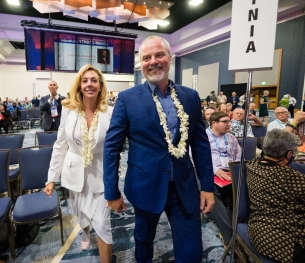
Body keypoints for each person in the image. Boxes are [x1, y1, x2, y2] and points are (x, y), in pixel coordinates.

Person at [103, 36, 215, 262]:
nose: (153, 61)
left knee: (192, 252)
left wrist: (207, 186)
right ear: (141, 64)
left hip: (183, 187)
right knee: (143, 242)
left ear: (170, 59)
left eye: (159, 55)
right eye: (146, 58)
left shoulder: (190, 97)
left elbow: (200, 144)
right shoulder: (127, 99)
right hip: (145, 186)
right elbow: (112, 148)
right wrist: (112, 192)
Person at [43, 64, 113, 262]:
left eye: (94, 80)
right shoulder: (68, 109)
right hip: (74, 172)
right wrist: (51, 178)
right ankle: (84, 231)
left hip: (101, 174)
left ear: (100, 86)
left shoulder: (110, 112)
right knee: (81, 214)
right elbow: (60, 145)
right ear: (79, 85)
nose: (89, 84)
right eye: (85, 80)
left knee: (102, 223)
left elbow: (114, 148)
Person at [247, 129, 305, 263]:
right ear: (289, 154)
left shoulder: (252, 165)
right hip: (284, 238)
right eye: (294, 153)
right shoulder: (289, 176)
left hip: (258, 229)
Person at [206, 112, 243, 254]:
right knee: (212, 192)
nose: (229, 124)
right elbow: (195, 159)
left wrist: (235, 170)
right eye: (225, 121)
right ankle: (230, 237)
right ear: (214, 122)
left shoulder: (231, 137)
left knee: (241, 189)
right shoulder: (203, 137)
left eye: (230, 121)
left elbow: (239, 155)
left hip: (230, 172)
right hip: (210, 172)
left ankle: (237, 226)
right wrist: (216, 170)